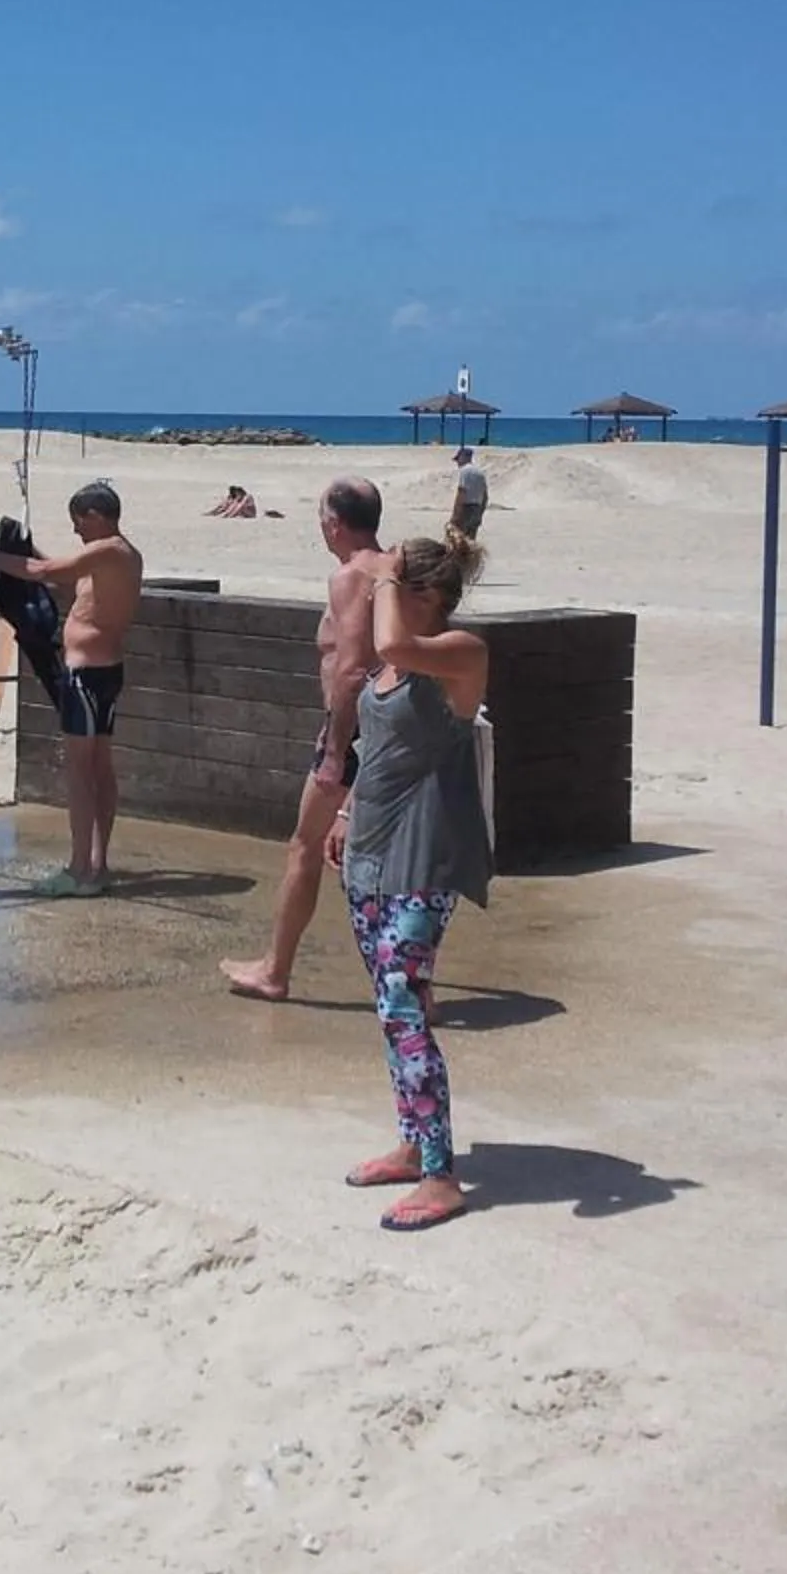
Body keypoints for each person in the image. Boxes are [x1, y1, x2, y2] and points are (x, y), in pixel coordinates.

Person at [324, 531, 492, 1232]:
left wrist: (386, 579)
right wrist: (345, 807)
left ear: (426, 598)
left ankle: (441, 1174)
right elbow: (380, 747)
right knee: (392, 1009)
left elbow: (391, 645)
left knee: (404, 1006)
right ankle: (412, 1140)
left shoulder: (460, 654)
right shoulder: (393, 672)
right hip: (369, 854)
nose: (372, 598)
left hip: (423, 860)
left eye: (387, 590)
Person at [221, 478, 397, 1001]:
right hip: (394, 728)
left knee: (305, 847)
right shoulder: (395, 569)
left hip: (358, 730)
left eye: (321, 518)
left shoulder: (350, 577)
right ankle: (414, 981)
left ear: (334, 523)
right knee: (388, 858)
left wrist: (336, 751)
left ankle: (276, 970)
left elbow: (350, 670)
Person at [0, 484, 142, 896]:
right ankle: (97, 864)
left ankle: (79, 871)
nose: (76, 530)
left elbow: (47, 574)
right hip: (103, 671)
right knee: (99, 768)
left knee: (81, 773)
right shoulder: (115, 558)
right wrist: (26, 549)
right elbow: (58, 570)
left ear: (95, 515)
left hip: (86, 675)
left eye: (78, 522)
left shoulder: (109, 550)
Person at [448, 447, 488, 539]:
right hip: (477, 508)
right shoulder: (480, 473)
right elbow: (485, 496)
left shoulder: (464, 471)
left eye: (458, 459)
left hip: (466, 509)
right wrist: (480, 514)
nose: (457, 463)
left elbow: (462, 492)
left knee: (457, 539)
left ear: (464, 457)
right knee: (471, 541)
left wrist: (455, 515)